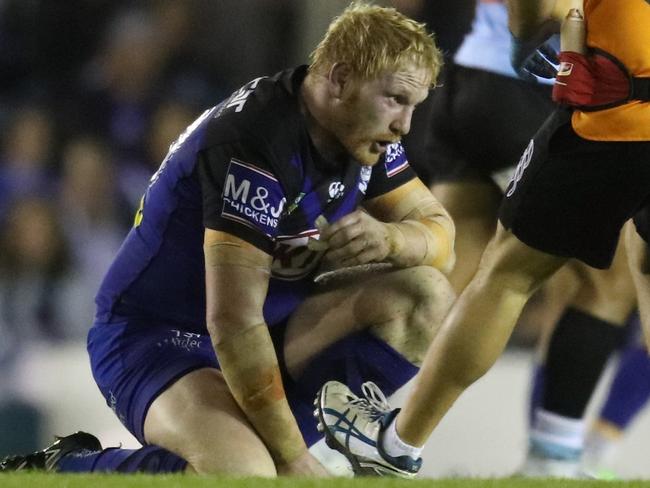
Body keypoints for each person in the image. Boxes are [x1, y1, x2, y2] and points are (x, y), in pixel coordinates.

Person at [0, 3, 457, 477]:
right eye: (396, 100)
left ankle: (282, 447)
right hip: (157, 336)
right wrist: (295, 459)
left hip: (268, 327)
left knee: (425, 292)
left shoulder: (364, 131)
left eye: (412, 106)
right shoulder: (254, 144)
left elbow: (440, 234)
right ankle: (63, 470)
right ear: (340, 79)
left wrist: (392, 240)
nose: (404, 124)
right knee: (244, 474)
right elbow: (233, 321)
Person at [316, 0, 650, 478]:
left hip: (478, 75)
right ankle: (551, 454)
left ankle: (329, 419)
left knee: (446, 268)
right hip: (546, 88)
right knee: (593, 282)